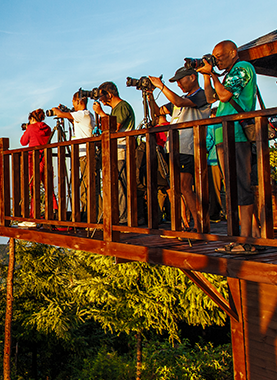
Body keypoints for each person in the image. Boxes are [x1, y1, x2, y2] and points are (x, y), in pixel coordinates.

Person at [196, 40, 260, 254]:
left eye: (220, 56)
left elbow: (224, 96)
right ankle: (248, 236)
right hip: (225, 133)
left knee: (240, 185)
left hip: (237, 133)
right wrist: (206, 75)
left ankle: (246, 240)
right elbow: (210, 97)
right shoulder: (229, 74)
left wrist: (212, 74)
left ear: (233, 53)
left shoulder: (242, 68)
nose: (218, 61)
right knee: (233, 186)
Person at [148, 67, 213, 230]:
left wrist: (161, 86)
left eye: (180, 80)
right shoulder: (181, 98)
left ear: (192, 77)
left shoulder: (202, 95)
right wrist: (149, 95)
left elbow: (179, 102)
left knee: (184, 186)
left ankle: (200, 225)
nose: (178, 84)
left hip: (188, 147)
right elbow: (157, 112)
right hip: (174, 147)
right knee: (176, 188)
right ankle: (184, 225)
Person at [93, 81, 135, 224]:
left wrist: (100, 113)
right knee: (116, 185)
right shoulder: (116, 109)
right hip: (117, 151)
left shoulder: (122, 107)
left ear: (109, 94)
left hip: (122, 151)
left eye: (101, 96)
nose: (100, 100)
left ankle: (123, 219)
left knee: (120, 185)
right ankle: (119, 216)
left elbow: (114, 128)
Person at [51, 91, 95, 215]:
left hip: (85, 155)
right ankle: (88, 214)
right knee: (86, 186)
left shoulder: (82, 114)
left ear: (78, 101)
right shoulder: (86, 115)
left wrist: (56, 111)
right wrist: (66, 112)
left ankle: (91, 216)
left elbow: (61, 115)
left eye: (73, 102)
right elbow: (74, 121)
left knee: (88, 187)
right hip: (84, 154)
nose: (73, 105)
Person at [18, 108, 52, 227]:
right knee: (49, 188)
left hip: (33, 159)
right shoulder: (48, 128)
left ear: (32, 119)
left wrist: (27, 129)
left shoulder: (31, 128)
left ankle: (33, 217)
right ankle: (54, 213)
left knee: (33, 188)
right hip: (46, 158)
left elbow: (23, 142)